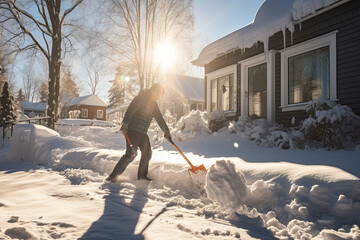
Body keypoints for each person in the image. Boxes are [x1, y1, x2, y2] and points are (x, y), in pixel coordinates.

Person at [106, 83, 172, 182]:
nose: (158, 96)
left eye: (159, 95)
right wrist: (125, 124)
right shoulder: (141, 98)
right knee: (131, 154)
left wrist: (166, 130)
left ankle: (142, 177)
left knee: (147, 154)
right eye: (157, 93)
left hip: (143, 133)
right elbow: (130, 110)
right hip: (133, 131)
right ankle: (112, 177)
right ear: (152, 91)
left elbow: (159, 118)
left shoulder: (154, 105)